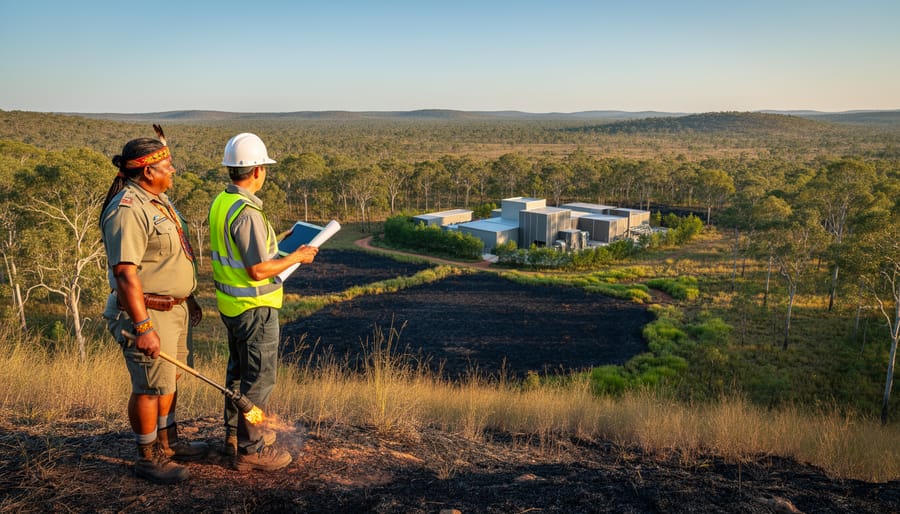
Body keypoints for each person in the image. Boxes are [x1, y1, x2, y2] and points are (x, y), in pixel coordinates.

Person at [100, 130, 208, 484]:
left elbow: (168, 257)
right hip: (146, 313)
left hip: (172, 310)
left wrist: (186, 297)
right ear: (147, 171)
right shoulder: (128, 209)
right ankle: (148, 457)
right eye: (167, 165)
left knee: (169, 381)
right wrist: (143, 327)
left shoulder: (157, 199)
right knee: (149, 386)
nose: (173, 170)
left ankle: (169, 442)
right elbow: (126, 274)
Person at [209, 133, 318, 471]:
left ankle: (234, 435)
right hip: (255, 311)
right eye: (264, 167)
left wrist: (278, 243)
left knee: (238, 375)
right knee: (259, 382)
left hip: (232, 308)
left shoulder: (222, 202)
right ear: (256, 170)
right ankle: (251, 449)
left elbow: (243, 253)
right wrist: (297, 256)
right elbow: (258, 269)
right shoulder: (247, 212)